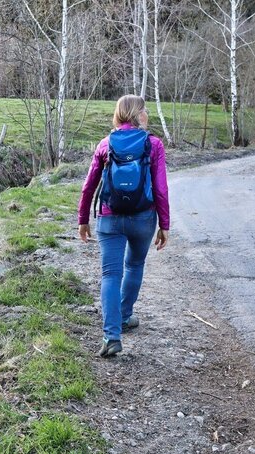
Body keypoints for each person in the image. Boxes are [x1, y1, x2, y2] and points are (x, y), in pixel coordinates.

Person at [77, 95, 170, 358]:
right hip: (143, 218)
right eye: (145, 110)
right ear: (138, 115)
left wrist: (83, 219)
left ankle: (111, 336)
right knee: (134, 265)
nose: (147, 114)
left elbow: (89, 186)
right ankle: (125, 315)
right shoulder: (153, 144)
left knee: (110, 275)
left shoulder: (105, 144)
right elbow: (161, 189)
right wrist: (164, 224)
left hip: (110, 217)